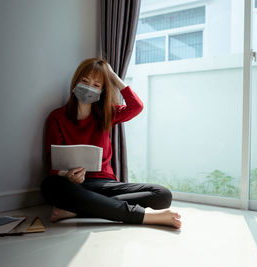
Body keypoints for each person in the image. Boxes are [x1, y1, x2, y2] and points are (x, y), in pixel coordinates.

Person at [40, 58, 181, 229]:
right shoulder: (57, 118)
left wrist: (112, 75)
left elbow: (136, 106)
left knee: (162, 194)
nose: (89, 87)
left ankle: (77, 211)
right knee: (50, 185)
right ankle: (145, 217)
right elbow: (51, 163)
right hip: (74, 184)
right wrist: (67, 175)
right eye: (84, 81)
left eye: (96, 85)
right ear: (75, 82)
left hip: (104, 183)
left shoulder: (107, 114)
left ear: (102, 90)